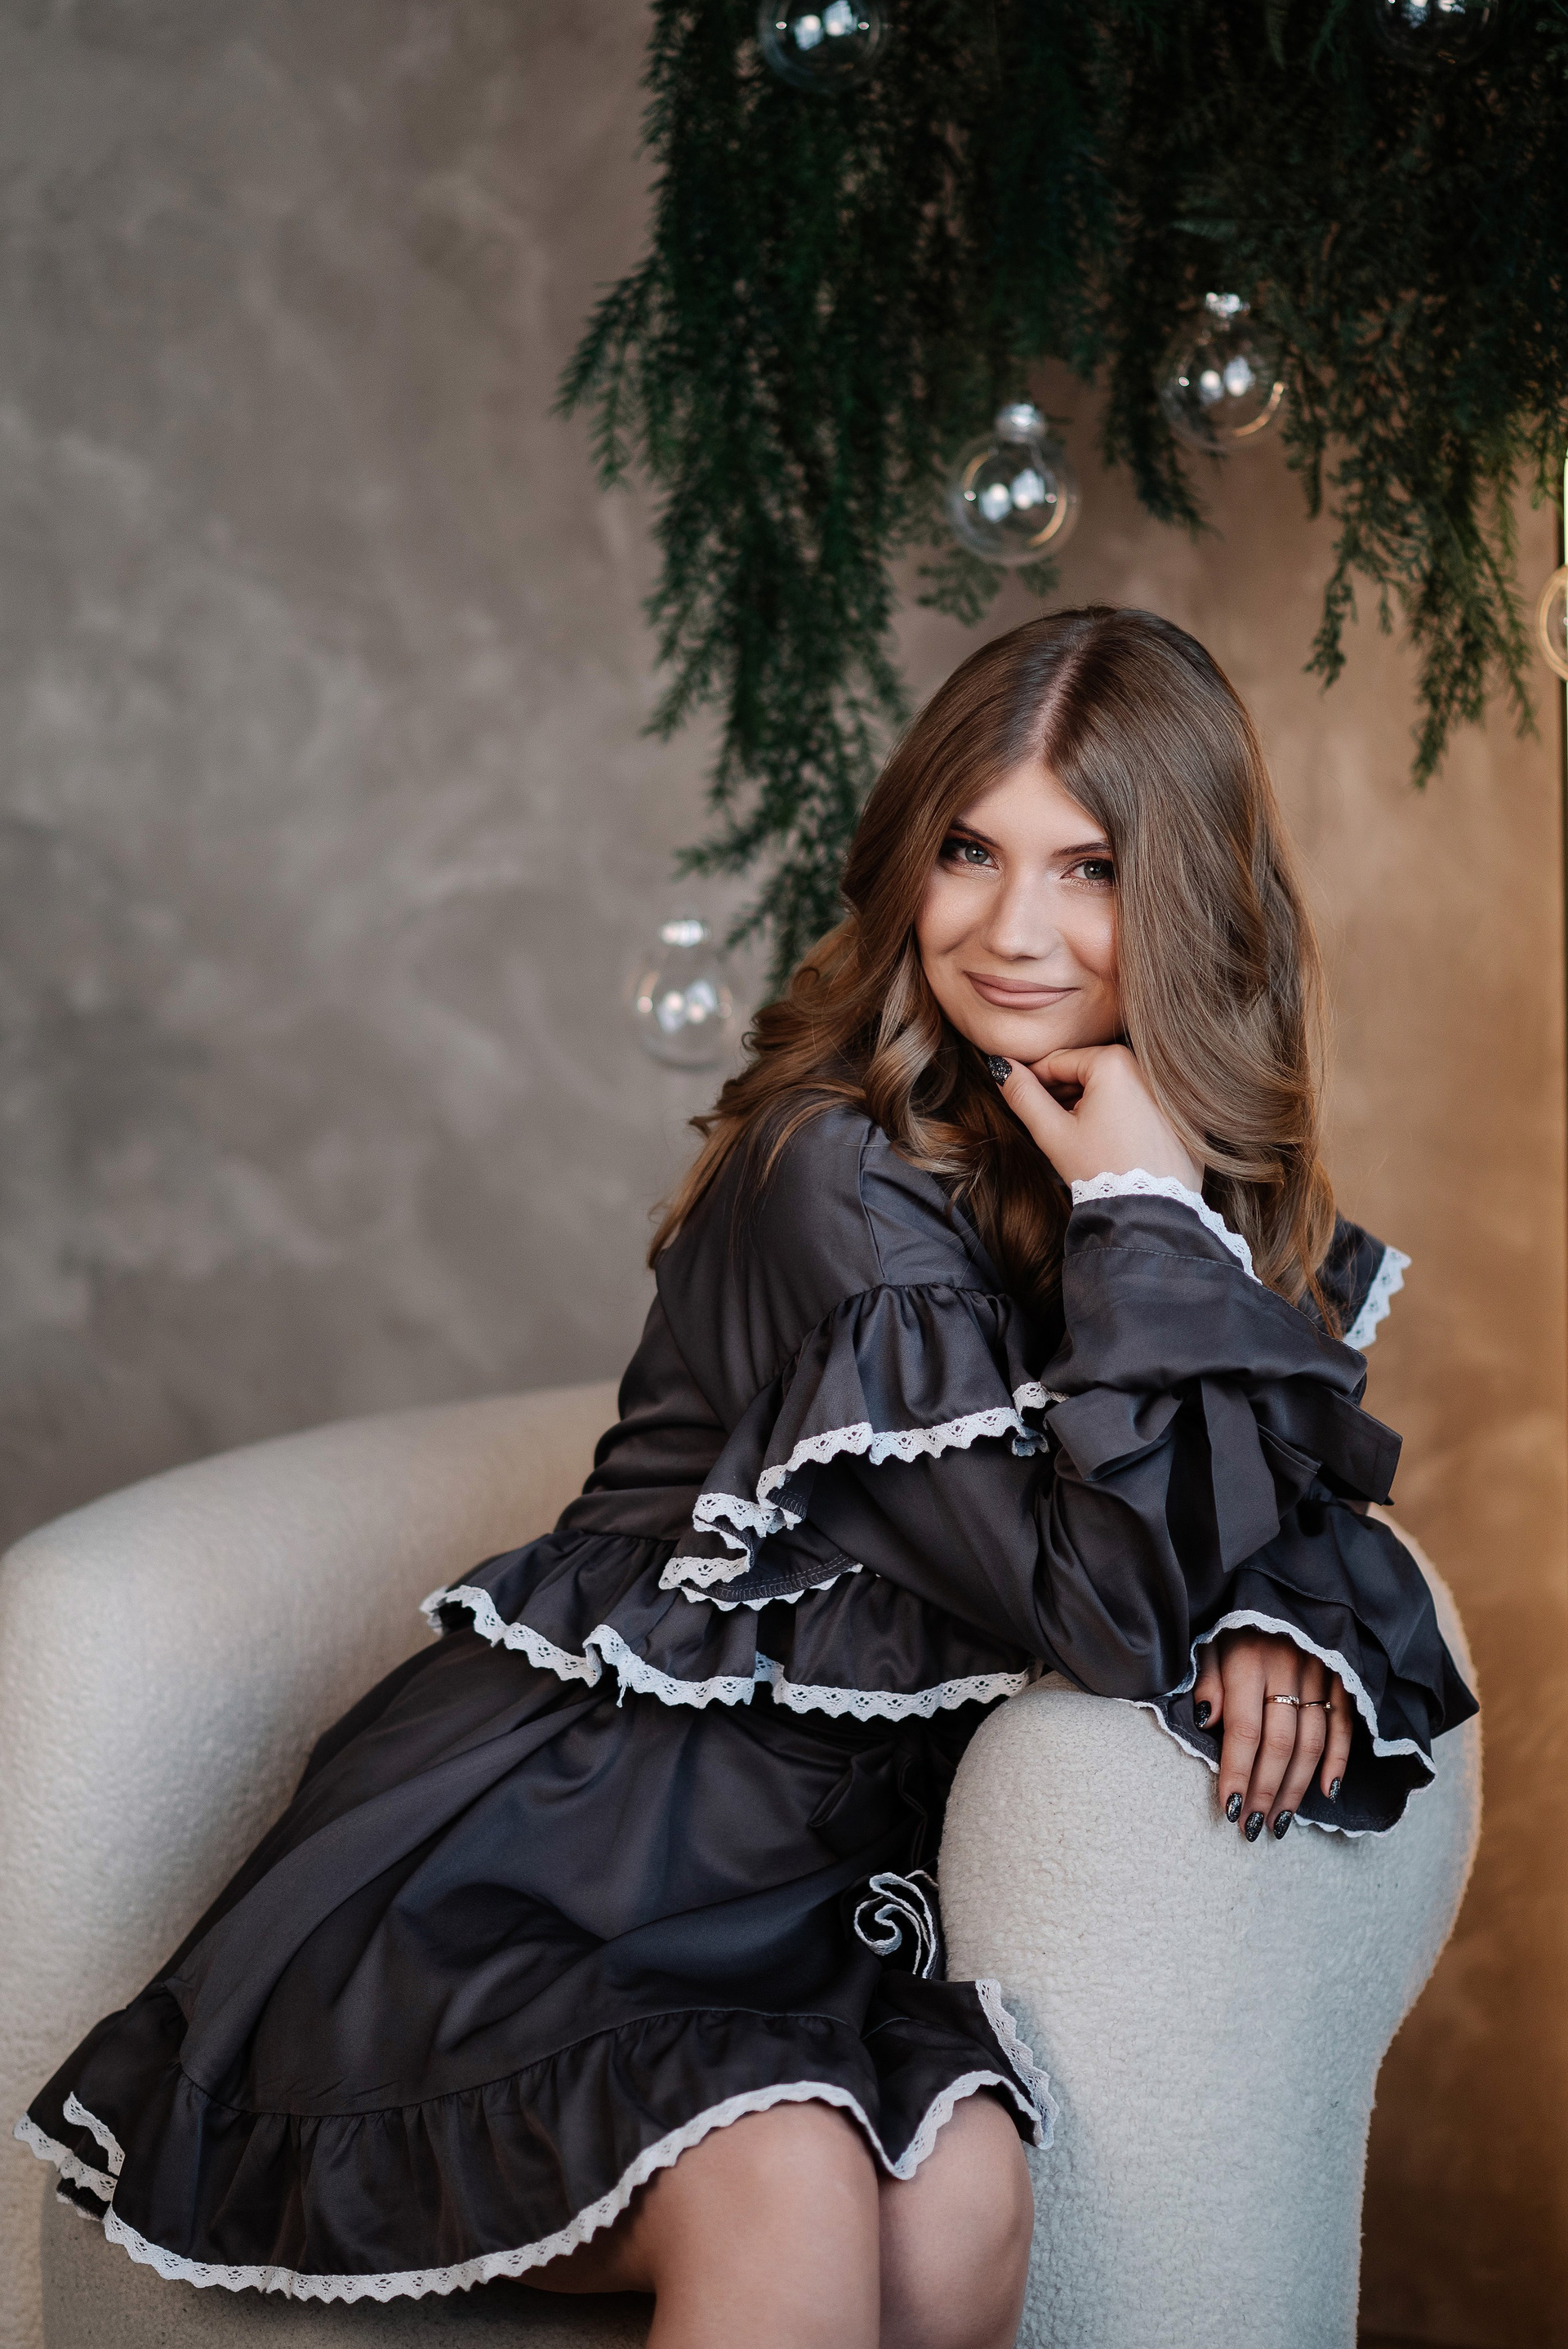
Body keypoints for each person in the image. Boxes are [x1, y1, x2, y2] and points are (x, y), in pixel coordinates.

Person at [18, 607, 1476, 2349]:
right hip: (576, 1868)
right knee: (780, 2167)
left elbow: (1272, 1489)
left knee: (962, 2197)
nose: (1013, 928)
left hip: (819, 1892)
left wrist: (1275, 1594)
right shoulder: (831, 1173)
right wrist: (1142, 1224)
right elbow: (1101, 1607)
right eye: (969, 851)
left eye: (1089, 868)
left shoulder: (1167, 1184)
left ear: (1189, 901)